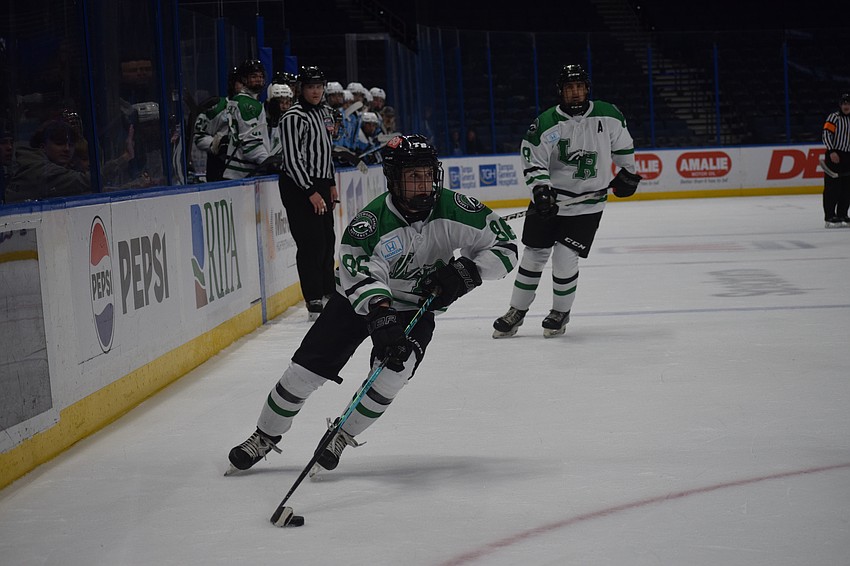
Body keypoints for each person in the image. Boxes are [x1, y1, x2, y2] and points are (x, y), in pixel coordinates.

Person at [226, 134, 519, 474]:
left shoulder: (454, 208)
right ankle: (264, 436)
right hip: (359, 304)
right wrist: (381, 315)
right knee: (304, 372)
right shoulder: (371, 223)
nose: (423, 185)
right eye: (413, 177)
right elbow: (359, 274)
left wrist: (467, 272)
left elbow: (506, 247)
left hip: (416, 308)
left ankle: (341, 434)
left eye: (427, 175)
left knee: (395, 372)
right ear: (394, 180)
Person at [492, 63, 641, 338]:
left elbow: (623, 147)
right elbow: (533, 161)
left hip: (587, 205)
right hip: (550, 202)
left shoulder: (608, 115)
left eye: (580, 87)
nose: (575, 93)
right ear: (561, 91)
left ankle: (560, 312)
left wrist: (629, 173)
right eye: (570, 88)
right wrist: (541, 190)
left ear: (587, 89)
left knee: (564, 256)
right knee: (534, 255)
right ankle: (516, 311)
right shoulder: (547, 123)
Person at [278, 65, 339, 320]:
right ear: (301, 89)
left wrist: (331, 183)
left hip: (321, 182)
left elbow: (327, 150)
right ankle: (314, 297)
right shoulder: (293, 117)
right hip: (299, 185)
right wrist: (310, 190)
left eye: (319, 86)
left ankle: (328, 291)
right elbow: (292, 159)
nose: (315, 91)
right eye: (310, 87)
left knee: (327, 239)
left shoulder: (326, 113)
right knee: (310, 242)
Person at [5, 120, 92, 202]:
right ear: (42, 146)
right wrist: (104, 173)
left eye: (71, 145)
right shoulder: (36, 168)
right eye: (59, 143)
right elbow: (82, 181)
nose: (67, 149)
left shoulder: (65, 167)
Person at [222, 59, 270, 180]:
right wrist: (269, 162)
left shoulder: (238, 100)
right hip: (245, 174)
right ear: (244, 79)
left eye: (260, 76)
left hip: (234, 171)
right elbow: (250, 145)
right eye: (253, 76)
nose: (259, 80)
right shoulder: (249, 104)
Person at [193, 67, 240, 182]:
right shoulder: (217, 106)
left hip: (247, 169)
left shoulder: (258, 108)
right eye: (241, 82)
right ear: (232, 84)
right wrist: (216, 144)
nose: (245, 86)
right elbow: (199, 135)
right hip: (219, 168)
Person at [821, 92, 850, 228]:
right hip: (835, 155)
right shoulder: (834, 117)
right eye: (844, 103)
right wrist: (831, 150)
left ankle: (842, 214)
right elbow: (826, 134)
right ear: (840, 105)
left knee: (847, 188)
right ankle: (830, 216)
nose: (846, 105)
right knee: (833, 188)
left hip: (848, 157)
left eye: (848, 103)